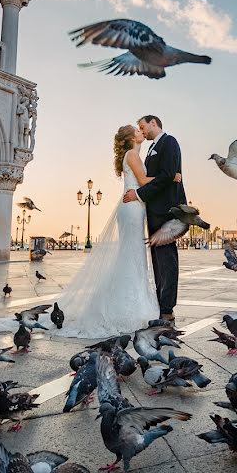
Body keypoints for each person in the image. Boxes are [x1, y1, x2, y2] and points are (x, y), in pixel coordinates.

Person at [54, 124, 180, 338]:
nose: (141, 131)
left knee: (132, 255)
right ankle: (128, 308)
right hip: (131, 210)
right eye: (137, 130)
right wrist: (171, 178)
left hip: (134, 208)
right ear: (131, 137)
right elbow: (142, 181)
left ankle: (129, 303)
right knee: (131, 255)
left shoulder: (135, 155)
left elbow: (142, 182)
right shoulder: (132, 154)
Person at [123, 115, 186, 323]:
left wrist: (139, 194)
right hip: (153, 211)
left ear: (153, 123)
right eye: (138, 128)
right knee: (158, 261)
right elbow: (160, 176)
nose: (142, 130)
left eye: (142, 126)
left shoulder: (169, 142)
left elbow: (167, 174)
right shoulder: (149, 150)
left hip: (166, 210)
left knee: (167, 260)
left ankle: (167, 308)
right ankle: (161, 303)